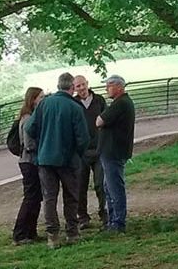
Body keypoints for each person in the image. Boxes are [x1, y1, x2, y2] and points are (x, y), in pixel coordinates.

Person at [28, 72, 90, 249]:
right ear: (71, 88)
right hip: (68, 160)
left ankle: (52, 236)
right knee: (71, 197)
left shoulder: (44, 104)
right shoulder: (75, 107)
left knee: (49, 197)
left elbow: (30, 128)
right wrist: (78, 153)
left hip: (46, 159)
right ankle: (72, 232)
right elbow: (83, 138)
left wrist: (43, 141)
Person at [95, 74, 135, 233]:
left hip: (113, 152)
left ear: (119, 87)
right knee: (108, 187)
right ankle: (113, 220)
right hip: (112, 151)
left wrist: (101, 119)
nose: (106, 88)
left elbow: (99, 121)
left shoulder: (120, 103)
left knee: (114, 187)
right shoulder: (122, 103)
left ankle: (118, 222)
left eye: (109, 85)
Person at [72, 75, 107, 229]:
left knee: (101, 183)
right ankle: (83, 217)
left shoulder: (99, 100)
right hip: (81, 153)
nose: (81, 88)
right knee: (80, 185)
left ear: (87, 84)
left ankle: (104, 212)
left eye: (83, 85)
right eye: (78, 86)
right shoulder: (73, 104)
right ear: (74, 88)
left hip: (99, 149)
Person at [12, 87, 45, 245]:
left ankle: (31, 231)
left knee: (36, 197)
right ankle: (20, 233)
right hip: (29, 161)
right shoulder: (27, 118)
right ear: (33, 99)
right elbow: (29, 143)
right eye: (41, 97)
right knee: (31, 197)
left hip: (31, 160)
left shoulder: (29, 116)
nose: (43, 100)